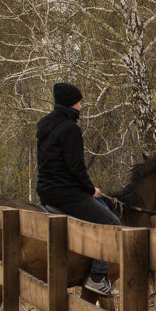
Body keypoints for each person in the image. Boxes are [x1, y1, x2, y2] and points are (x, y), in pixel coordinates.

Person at [36, 82, 122, 296]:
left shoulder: (44, 126)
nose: (81, 106)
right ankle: (97, 277)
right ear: (71, 103)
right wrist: (90, 189)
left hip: (46, 191)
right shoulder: (70, 129)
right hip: (67, 193)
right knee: (111, 222)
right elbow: (76, 167)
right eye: (80, 102)